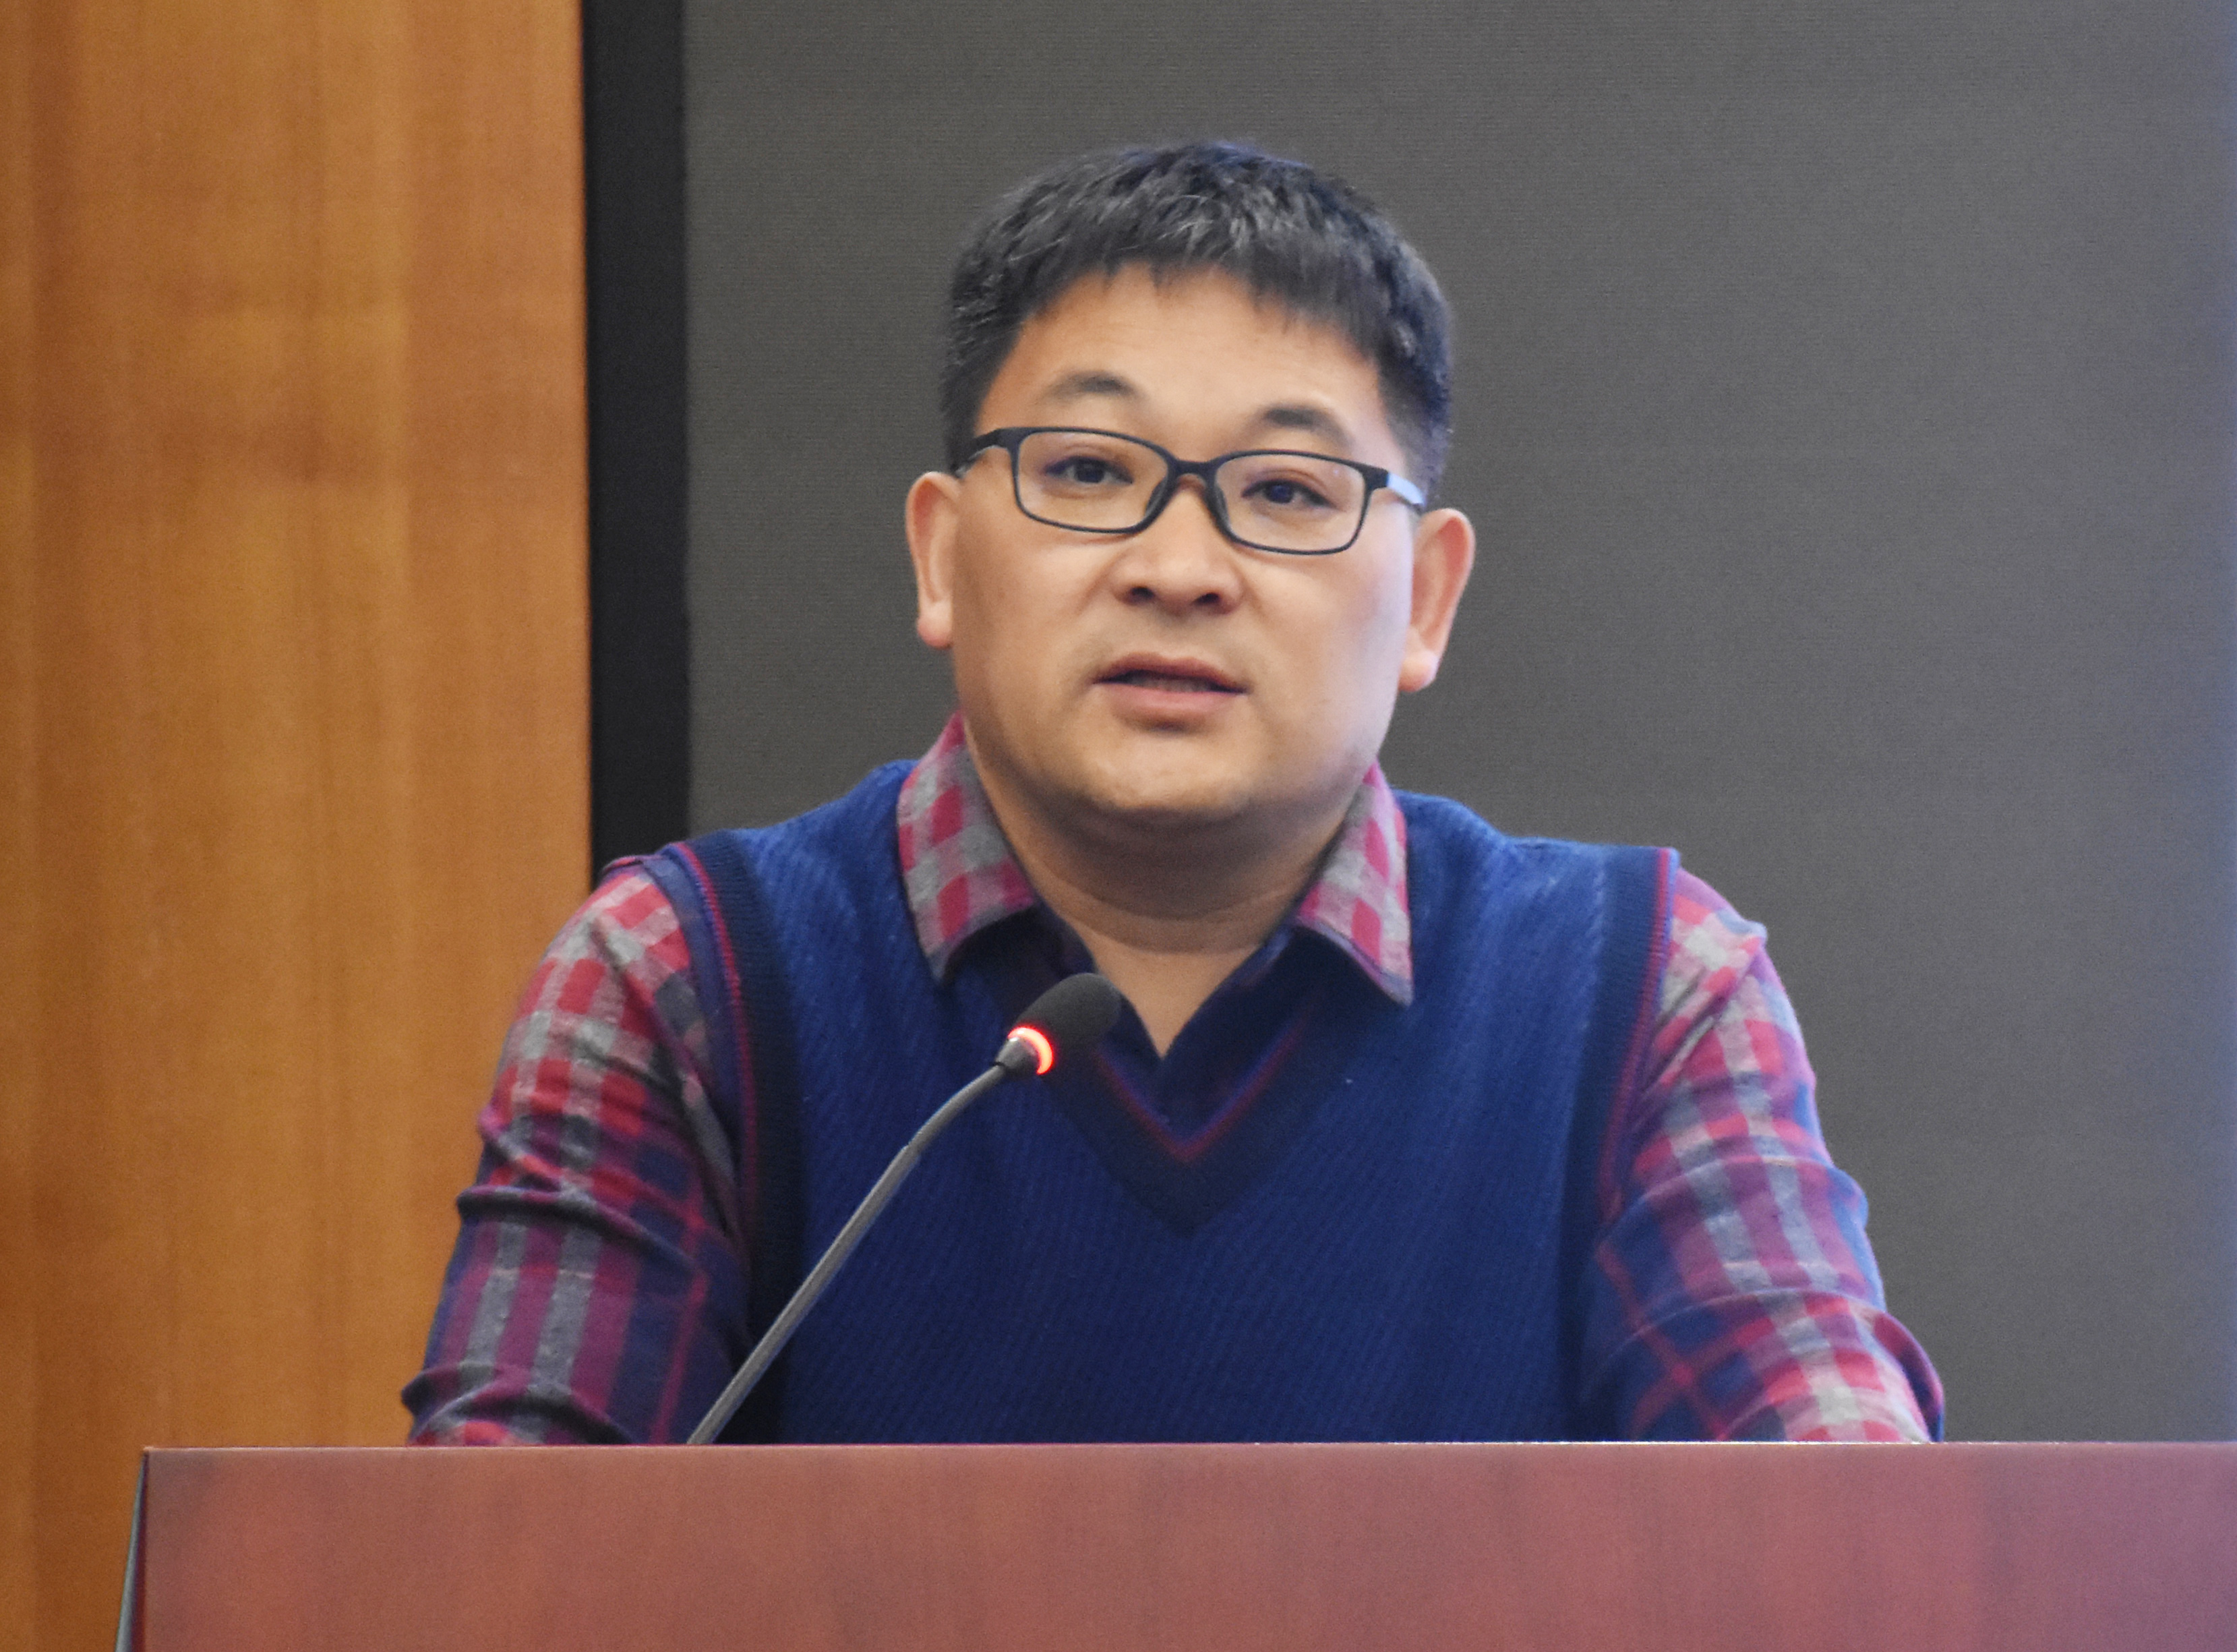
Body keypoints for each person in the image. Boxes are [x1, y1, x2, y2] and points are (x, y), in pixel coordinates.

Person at [404, 142, 1940, 1446]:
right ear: (940, 554)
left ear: (1425, 599)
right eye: (1086, 472)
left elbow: (1858, 1572)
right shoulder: (688, 984)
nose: (1179, 567)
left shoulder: (1640, 993)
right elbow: (492, 1607)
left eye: (1286, 492)